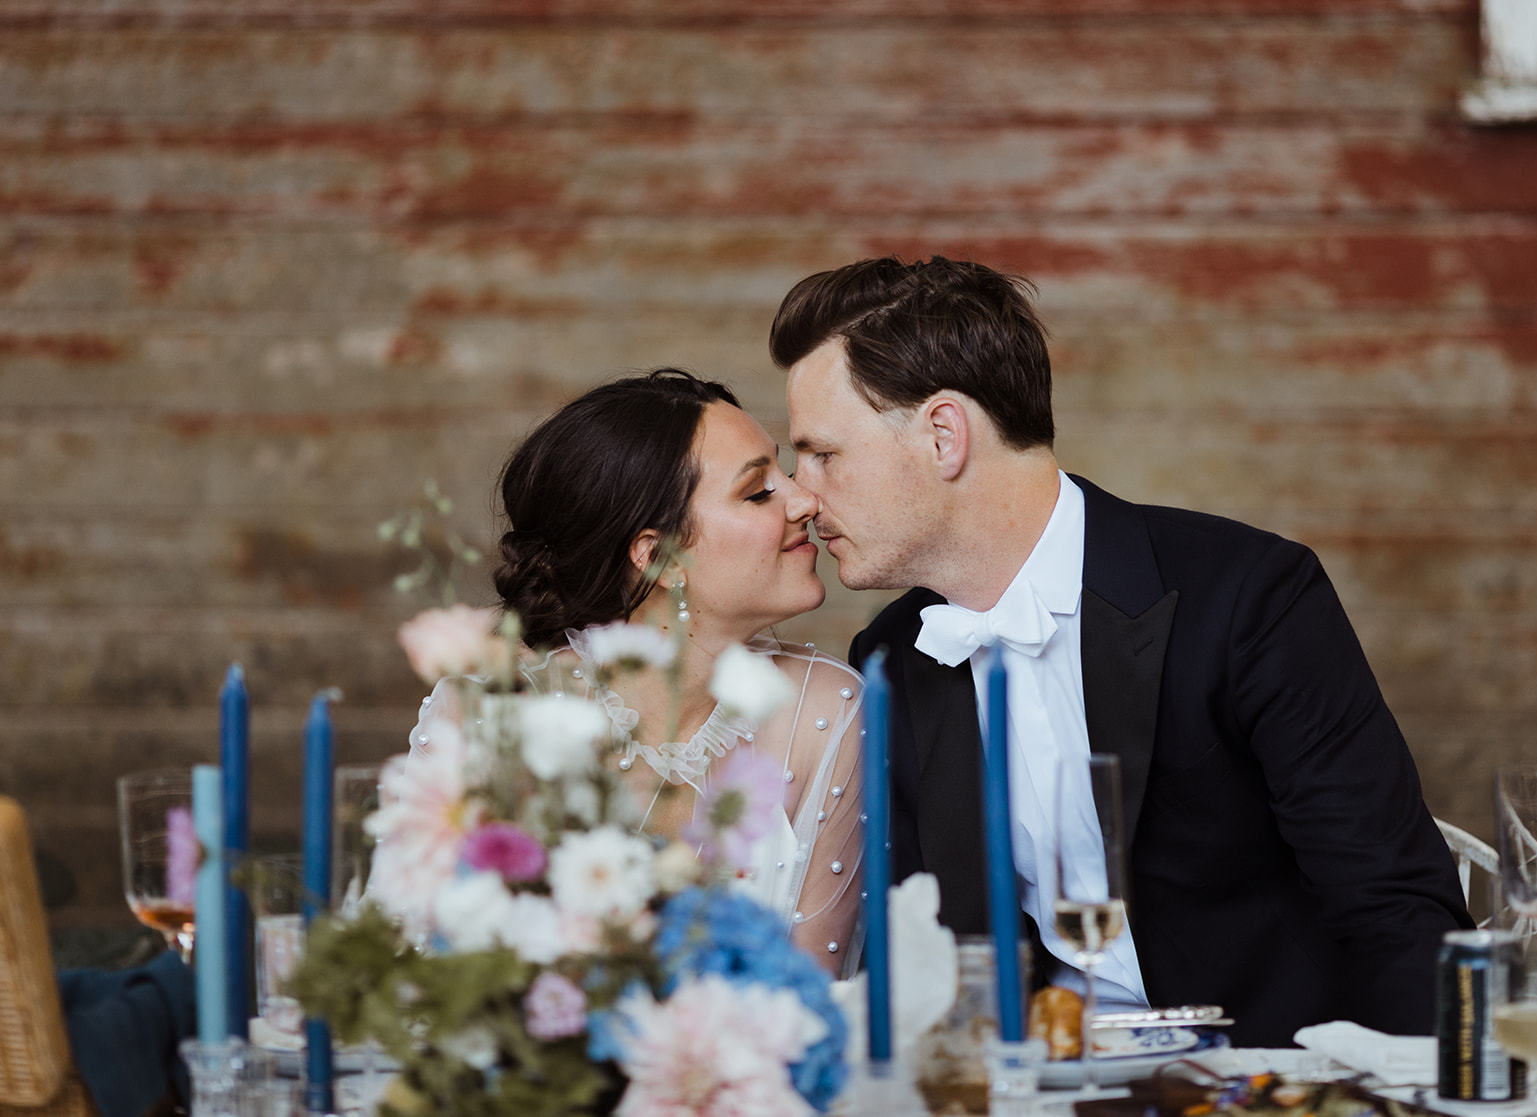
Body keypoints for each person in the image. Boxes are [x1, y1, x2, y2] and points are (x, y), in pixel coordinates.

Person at [770, 256, 1472, 1045]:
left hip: (1269, 1076)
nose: (801, 495)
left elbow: (1395, 904)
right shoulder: (895, 655)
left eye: (823, 454)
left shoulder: (1248, 597)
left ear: (943, 436)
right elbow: (924, 961)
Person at [407, 370, 865, 976]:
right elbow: (424, 973)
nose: (805, 501)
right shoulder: (491, 715)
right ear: (657, 558)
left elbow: (816, 995)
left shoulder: (826, 710)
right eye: (758, 492)